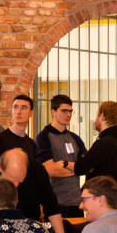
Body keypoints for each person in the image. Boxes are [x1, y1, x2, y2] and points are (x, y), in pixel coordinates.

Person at [37, 94, 88, 225]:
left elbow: (85, 167)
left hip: (76, 202)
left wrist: (64, 165)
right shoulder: (44, 136)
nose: (68, 115)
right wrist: (75, 169)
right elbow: (50, 169)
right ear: (53, 112)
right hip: (55, 202)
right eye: (64, 111)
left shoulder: (75, 138)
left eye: (70, 111)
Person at [0, 140, 63, 233]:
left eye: (20, 180)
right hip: (0, 231)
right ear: (0, 168)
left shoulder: (37, 171)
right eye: (12, 179)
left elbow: (51, 206)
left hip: (31, 229)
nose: (16, 185)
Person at [82, 100, 117, 188]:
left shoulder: (105, 142)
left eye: (97, 115)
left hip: (101, 193)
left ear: (102, 116)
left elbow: (81, 167)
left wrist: (66, 163)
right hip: (116, 193)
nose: (95, 119)